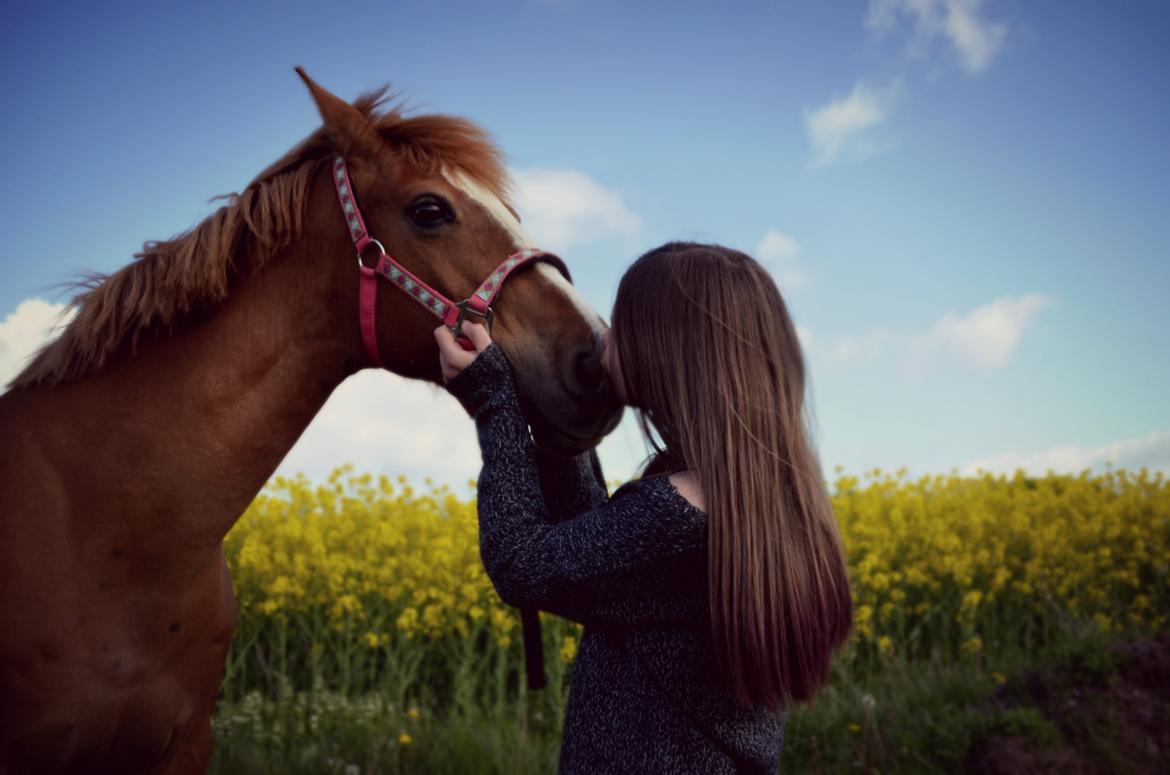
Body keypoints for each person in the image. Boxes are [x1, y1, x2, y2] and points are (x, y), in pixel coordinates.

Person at [434, 241, 854, 774]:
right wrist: (558, 412)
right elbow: (589, 556)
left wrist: (494, 401)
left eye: (623, 324)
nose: (604, 336)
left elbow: (523, 564)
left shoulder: (675, 519)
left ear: (670, 350)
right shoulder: (757, 508)